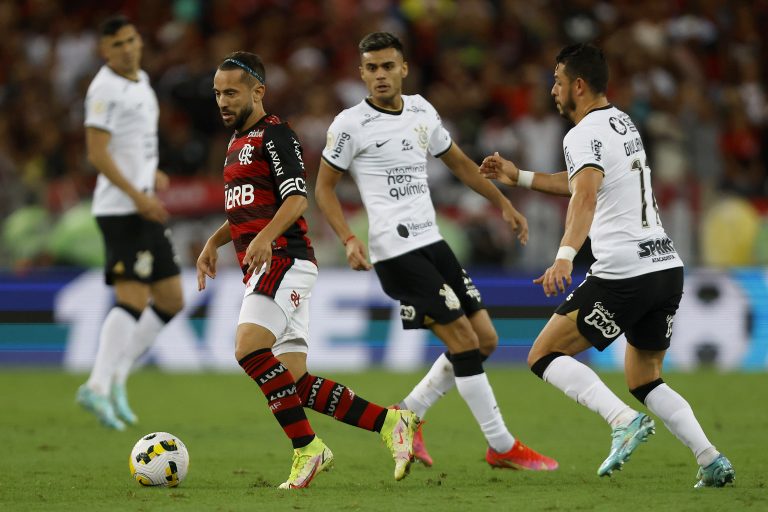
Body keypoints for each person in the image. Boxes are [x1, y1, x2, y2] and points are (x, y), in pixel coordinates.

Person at [480, 43, 735, 488]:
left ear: (578, 85)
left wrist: (563, 256)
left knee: (542, 354)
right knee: (644, 376)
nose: (552, 89)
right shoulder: (622, 122)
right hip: (665, 267)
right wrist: (519, 177)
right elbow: (582, 180)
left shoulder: (580, 133)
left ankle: (621, 421)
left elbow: (585, 194)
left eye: (558, 81)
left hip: (625, 270)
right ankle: (711, 459)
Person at [314, 32, 558, 471]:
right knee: (464, 342)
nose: (380, 76)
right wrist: (349, 238)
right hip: (395, 252)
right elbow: (324, 188)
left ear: (404, 68)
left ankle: (406, 415)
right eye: (371, 68)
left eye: (388, 66)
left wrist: (503, 204)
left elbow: (461, 163)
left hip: (434, 244)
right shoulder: (350, 124)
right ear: (361, 74)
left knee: (485, 340)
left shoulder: (423, 110)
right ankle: (501, 446)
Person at [196, 51, 420, 490]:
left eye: (232, 92)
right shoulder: (234, 143)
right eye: (218, 93)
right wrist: (214, 242)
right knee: (294, 382)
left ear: (258, 91)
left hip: (282, 258)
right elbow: (245, 210)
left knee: (248, 350)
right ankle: (391, 422)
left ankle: (308, 449)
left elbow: (297, 198)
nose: (222, 101)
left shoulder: (275, 135)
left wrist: (263, 239)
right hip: (266, 262)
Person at [76, 15, 184, 431]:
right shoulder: (103, 88)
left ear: (140, 41)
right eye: (117, 44)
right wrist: (138, 194)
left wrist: (150, 175)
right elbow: (97, 153)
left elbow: (135, 143)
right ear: (105, 51)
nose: (126, 48)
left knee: (172, 298)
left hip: (143, 202)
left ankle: (118, 378)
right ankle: (97, 385)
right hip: (122, 209)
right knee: (133, 297)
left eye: (131, 40)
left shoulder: (142, 82)